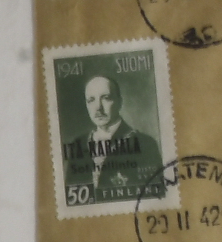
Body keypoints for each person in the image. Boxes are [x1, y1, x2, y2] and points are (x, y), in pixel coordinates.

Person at [65, 74, 162, 203]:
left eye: (106, 98)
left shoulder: (145, 144)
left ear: (119, 102)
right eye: (91, 100)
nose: (98, 108)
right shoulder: (79, 144)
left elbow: (154, 197)